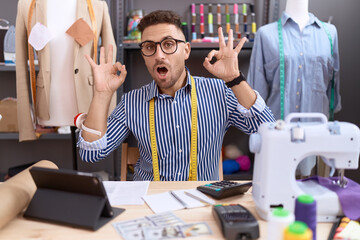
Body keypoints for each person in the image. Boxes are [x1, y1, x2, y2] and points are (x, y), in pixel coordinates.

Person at [77, 10, 275, 181]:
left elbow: (267, 131)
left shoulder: (219, 92)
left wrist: (234, 79)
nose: (159, 55)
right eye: (149, 47)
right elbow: (90, 154)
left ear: (186, 50)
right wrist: (102, 94)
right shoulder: (132, 102)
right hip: (148, 203)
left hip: (201, 201)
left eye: (169, 44)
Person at [247, 0, 340, 176]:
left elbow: (334, 88)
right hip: (277, 135)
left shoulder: (330, 33)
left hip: (317, 135)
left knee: (315, 195)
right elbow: (255, 94)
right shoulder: (265, 34)